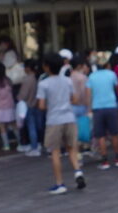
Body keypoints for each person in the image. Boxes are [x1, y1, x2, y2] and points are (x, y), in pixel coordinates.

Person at [37, 53, 86, 194]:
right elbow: (75, 99)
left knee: (55, 152)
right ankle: (78, 172)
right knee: (72, 148)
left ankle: (60, 184)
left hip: (54, 120)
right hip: (69, 117)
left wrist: (53, 105)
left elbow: (41, 106)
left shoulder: (43, 84)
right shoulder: (68, 81)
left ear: (46, 67)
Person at [87, 51, 118, 169]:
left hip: (97, 107)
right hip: (111, 106)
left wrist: (89, 108)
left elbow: (89, 93)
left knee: (100, 135)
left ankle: (105, 161)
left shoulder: (91, 76)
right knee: (115, 133)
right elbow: (117, 88)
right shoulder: (112, 74)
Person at [19, 59, 43, 156]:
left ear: (28, 68)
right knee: (39, 126)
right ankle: (39, 143)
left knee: (31, 127)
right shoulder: (38, 78)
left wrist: (18, 97)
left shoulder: (27, 79)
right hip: (38, 105)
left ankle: (34, 147)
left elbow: (23, 95)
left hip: (29, 105)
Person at [69, 56, 91, 156]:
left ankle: (76, 154)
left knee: (74, 132)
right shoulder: (83, 77)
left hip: (71, 106)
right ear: (79, 66)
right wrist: (89, 107)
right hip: (82, 105)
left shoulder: (69, 77)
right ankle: (85, 147)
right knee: (84, 128)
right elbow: (85, 94)